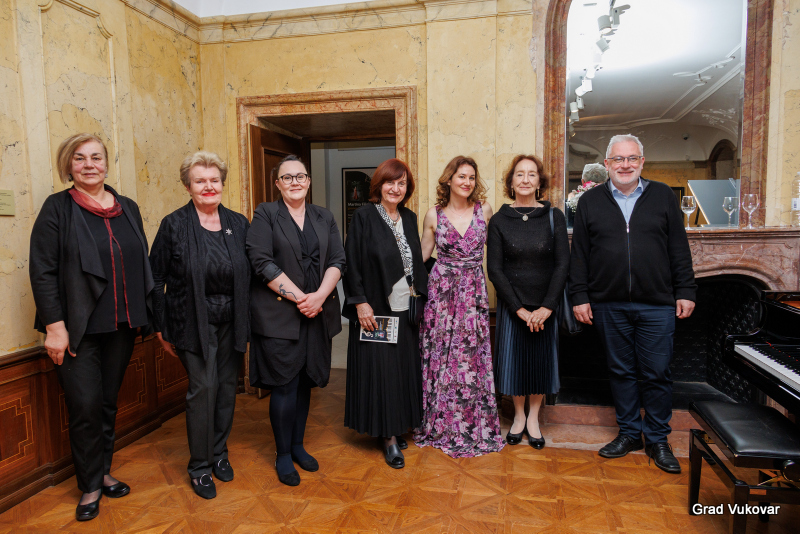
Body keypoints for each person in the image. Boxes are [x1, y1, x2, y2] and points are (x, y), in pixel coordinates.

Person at [29, 133, 153, 521]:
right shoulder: (57, 208)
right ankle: (90, 485)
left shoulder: (128, 207)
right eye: (79, 158)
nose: (89, 164)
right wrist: (55, 328)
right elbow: (42, 271)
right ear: (68, 165)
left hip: (121, 325)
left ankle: (103, 470)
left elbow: (140, 261)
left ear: (106, 163)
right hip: (76, 330)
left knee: (107, 402)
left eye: (96, 157)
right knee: (84, 406)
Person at [569, 134, 696, 473]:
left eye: (631, 158)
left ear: (642, 162)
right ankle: (629, 433)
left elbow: (679, 248)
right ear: (607, 164)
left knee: (657, 373)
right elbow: (579, 255)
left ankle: (657, 439)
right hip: (608, 304)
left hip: (657, 304)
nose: (624, 165)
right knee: (620, 372)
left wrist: (686, 290)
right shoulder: (590, 201)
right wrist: (579, 296)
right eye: (618, 159)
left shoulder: (663, 196)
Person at [149, 151, 250, 499]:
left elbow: (251, 272)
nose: (208, 186)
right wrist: (160, 326)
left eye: (214, 180)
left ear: (222, 184)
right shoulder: (174, 224)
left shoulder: (238, 223)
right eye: (200, 181)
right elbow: (155, 278)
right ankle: (200, 467)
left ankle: (219, 453)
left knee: (226, 388)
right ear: (188, 186)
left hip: (232, 321)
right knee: (203, 388)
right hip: (190, 322)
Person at [247, 155, 345, 486]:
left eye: (300, 176)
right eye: (287, 177)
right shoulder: (266, 213)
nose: (295, 182)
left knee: (305, 383)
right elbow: (260, 261)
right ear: (277, 184)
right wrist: (302, 298)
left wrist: (319, 297)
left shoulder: (324, 216)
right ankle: (283, 454)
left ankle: (299, 445)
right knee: (285, 385)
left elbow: (338, 259)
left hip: (317, 315)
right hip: (280, 317)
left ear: (309, 181)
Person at [413, 156, 504, 457]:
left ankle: (472, 426)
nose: (467, 182)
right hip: (441, 295)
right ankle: (439, 425)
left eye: (471, 177)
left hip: (473, 293)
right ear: (449, 179)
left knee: (470, 358)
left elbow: (500, 251)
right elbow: (421, 257)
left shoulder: (484, 210)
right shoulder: (433, 214)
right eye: (461, 176)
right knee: (440, 357)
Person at [343, 158, 428, 469]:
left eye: (402, 183)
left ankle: (396, 425)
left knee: (401, 371)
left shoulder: (409, 217)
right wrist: (359, 302)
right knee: (382, 374)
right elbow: (351, 260)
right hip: (375, 309)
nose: (396, 188)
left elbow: (416, 261)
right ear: (379, 185)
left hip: (406, 310)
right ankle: (388, 438)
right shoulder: (364, 217)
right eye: (391, 182)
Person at [487, 154, 569, 449]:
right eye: (519, 174)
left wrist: (547, 307)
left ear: (539, 182)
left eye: (531, 174)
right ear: (511, 182)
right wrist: (518, 309)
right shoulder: (499, 220)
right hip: (513, 307)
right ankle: (518, 416)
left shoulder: (554, 216)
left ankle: (534, 417)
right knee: (514, 365)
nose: (525, 179)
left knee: (540, 365)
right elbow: (495, 269)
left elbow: (562, 264)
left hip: (546, 306)